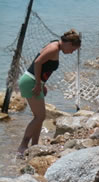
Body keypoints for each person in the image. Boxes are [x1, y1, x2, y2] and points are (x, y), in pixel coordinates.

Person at [17, 29, 81, 157]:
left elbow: (44, 67)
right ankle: (23, 146)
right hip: (31, 81)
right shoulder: (53, 48)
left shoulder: (55, 46)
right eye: (73, 50)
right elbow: (37, 62)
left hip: (35, 81)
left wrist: (42, 84)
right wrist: (37, 84)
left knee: (40, 116)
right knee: (39, 117)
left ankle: (34, 146)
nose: (71, 52)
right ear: (68, 43)